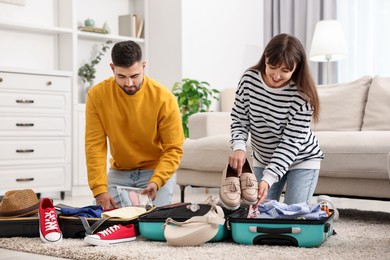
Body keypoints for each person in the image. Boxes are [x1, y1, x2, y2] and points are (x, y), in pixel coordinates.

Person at [85, 40, 184, 210]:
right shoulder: (97, 95)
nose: (129, 83)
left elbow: (173, 148)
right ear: (112, 68)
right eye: (121, 76)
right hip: (119, 173)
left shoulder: (164, 98)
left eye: (134, 76)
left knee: (150, 222)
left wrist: (158, 180)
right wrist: (99, 189)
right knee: (109, 220)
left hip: (154, 172)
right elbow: (95, 146)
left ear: (143, 66)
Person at [228, 33, 324, 205]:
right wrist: (239, 147)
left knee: (293, 216)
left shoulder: (302, 96)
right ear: (266, 58)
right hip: (263, 159)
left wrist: (269, 178)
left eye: (285, 71)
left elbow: (290, 143)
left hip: (301, 160)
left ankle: (324, 207)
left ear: (296, 68)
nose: (277, 75)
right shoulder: (249, 80)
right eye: (273, 66)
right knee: (257, 212)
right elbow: (239, 119)